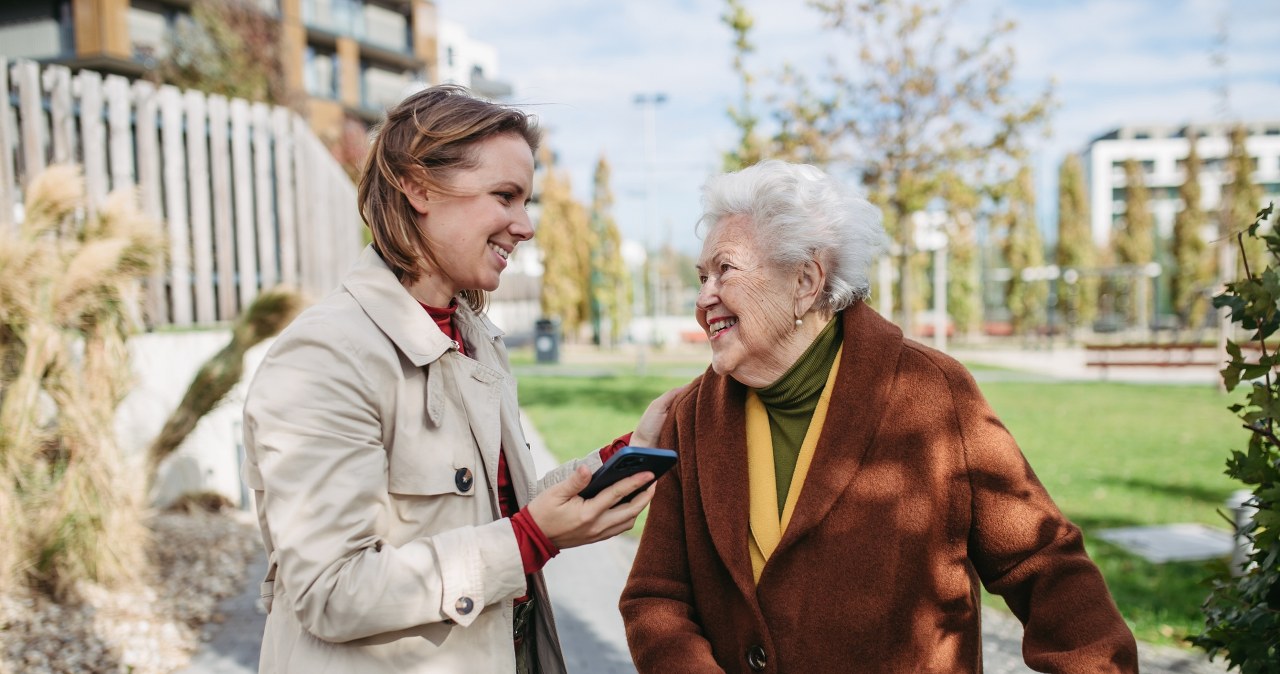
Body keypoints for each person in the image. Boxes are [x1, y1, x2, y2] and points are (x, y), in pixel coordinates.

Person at [619, 160, 1138, 673]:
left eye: (724, 270)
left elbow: (1045, 567)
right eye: (702, 276)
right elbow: (655, 597)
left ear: (805, 280)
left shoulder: (932, 391)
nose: (703, 297)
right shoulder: (691, 417)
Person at [241, 85, 679, 674]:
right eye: (505, 196)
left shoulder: (473, 337)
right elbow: (332, 590)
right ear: (418, 186)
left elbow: (491, 510)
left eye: (527, 201)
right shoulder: (324, 357)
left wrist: (619, 456)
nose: (525, 226)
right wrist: (531, 540)